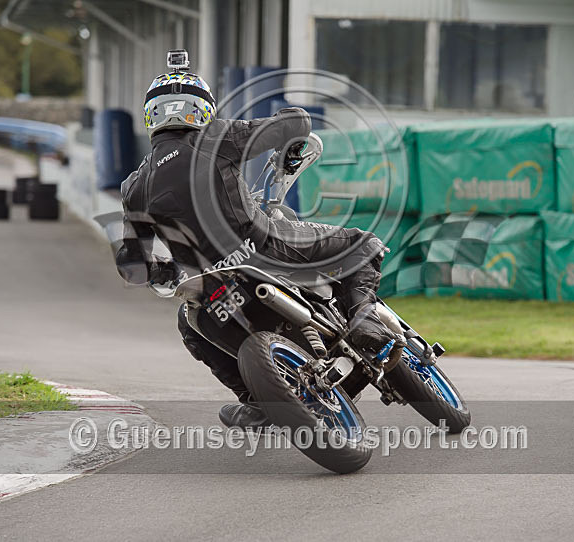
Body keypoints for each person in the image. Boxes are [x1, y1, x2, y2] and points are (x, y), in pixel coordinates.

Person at [114, 55, 402, 428]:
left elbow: (131, 265)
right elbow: (296, 122)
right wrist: (292, 139)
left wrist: (169, 269)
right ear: (202, 109)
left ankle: (256, 401)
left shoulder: (134, 187)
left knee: (190, 325)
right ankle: (364, 321)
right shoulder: (216, 136)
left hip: (209, 284)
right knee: (361, 243)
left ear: (151, 117)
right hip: (264, 247)